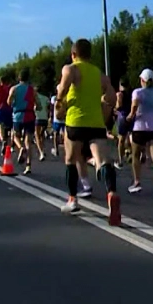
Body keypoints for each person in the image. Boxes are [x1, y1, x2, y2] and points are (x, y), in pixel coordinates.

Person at [54, 38, 121, 224]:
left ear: (73, 54)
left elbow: (63, 89)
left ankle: (72, 199)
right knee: (103, 161)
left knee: (70, 159)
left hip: (75, 122)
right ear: (89, 55)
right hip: (96, 124)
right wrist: (105, 114)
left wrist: (60, 104)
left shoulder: (70, 69)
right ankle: (112, 194)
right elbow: (112, 99)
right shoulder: (99, 73)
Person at [127, 68, 153, 201]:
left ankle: (137, 181)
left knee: (135, 155)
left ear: (142, 80)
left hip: (140, 128)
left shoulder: (137, 92)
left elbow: (135, 104)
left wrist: (130, 115)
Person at [9, 69, 38, 175]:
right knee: (28, 141)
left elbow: (9, 101)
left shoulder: (14, 89)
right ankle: (28, 166)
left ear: (19, 78)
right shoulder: (32, 90)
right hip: (30, 115)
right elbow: (38, 104)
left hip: (18, 116)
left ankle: (20, 148)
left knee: (15, 135)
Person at [33, 89, 50, 160]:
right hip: (45, 118)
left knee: (37, 135)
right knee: (42, 135)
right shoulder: (46, 98)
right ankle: (43, 149)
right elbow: (48, 108)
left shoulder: (34, 97)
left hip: (37, 118)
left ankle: (41, 152)